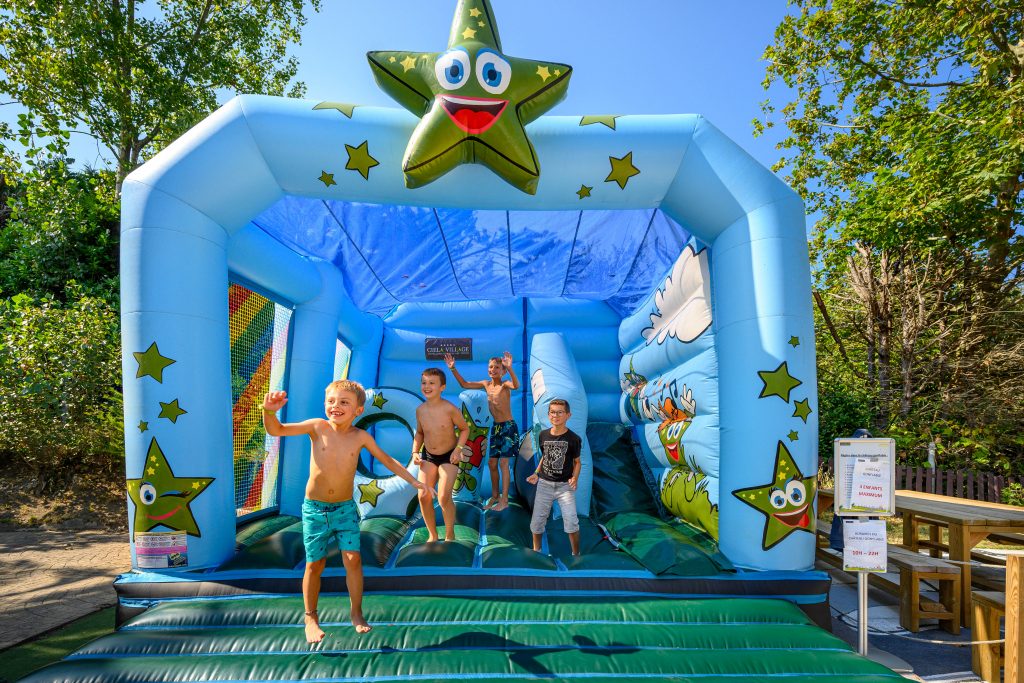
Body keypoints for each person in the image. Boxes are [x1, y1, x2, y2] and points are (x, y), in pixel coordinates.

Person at [263, 380, 433, 643]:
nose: (336, 406)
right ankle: (311, 617)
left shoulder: (360, 436)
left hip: (344, 508)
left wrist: (415, 481)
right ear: (324, 405)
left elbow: (388, 460)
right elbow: (277, 430)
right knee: (314, 564)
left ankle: (356, 612)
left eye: (344, 402)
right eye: (331, 401)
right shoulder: (317, 427)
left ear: (358, 410)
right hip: (315, 510)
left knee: (353, 560)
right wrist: (269, 411)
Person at [445, 350, 520, 511]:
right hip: (496, 427)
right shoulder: (486, 385)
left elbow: (516, 385)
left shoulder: (505, 385)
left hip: (508, 427)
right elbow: (464, 384)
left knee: (504, 463)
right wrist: (452, 369)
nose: (493, 370)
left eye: (497, 367)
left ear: (503, 371)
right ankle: (495, 496)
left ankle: (504, 500)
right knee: (492, 463)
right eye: (491, 367)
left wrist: (511, 368)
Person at [412, 367, 470, 542]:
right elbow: (420, 433)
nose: (426, 386)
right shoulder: (420, 410)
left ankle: (450, 533)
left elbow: (465, 429)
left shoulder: (449, 409)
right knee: (423, 495)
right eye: (424, 382)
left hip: (448, 456)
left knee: (444, 497)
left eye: (432, 383)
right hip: (428, 455)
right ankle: (432, 534)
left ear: (442, 387)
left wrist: (458, 449)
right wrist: (415, 451)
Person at [526, 399, 582, 556]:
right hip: (545, 484)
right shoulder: (543, 435)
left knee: (571, 521)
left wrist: (575, 478)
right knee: (537, 522)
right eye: (552, 412)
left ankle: (576, 554)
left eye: (560, 412)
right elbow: (545, 456)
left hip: (565, 487)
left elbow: (577, 463)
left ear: (568, 415)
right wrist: (536, 473)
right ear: (548, 414)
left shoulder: (573, 439)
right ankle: (536, 551)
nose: (555, 415)